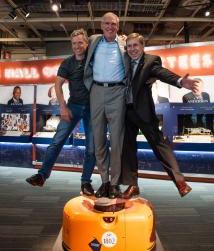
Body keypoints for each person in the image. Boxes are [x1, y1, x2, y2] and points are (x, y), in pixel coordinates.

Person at [119, 33, 202, 199]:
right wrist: (120, 42)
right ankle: (132, 185)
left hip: (143, 111)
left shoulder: (151, 61)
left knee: (159, 145)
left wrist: (179, 81)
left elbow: (162, 73)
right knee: (127, 149)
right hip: (125, 111)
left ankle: (180, 182)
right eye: (130, 46)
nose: (133, 49)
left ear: (142, 47)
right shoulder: (124, 59)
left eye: (136, 45)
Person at [26, 29, 96, 196]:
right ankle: (42, 175)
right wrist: (63, 107)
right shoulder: (67, 63)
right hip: (73, 106)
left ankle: (86, 182)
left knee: (92, 148)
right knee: (57, 142)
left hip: (93, 108)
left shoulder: (93, 60)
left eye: (81, 42)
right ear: (71, 45)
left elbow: (98, 39)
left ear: (86, 43)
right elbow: (57, 85)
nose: (77, 46)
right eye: (74, 43)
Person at [84, 12, 127, 198]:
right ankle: (104, 181)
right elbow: (79, 54)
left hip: (117, 92)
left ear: (118, 26)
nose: (110, 27)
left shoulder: (124, 43)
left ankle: (115, 183)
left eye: (114, 24)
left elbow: (137, 57)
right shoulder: (93, 40)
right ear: (101, 25)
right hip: (96, 91)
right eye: (107, 23)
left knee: (117, 139)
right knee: (99, 139)